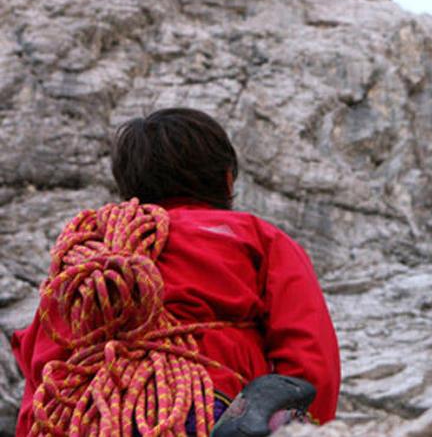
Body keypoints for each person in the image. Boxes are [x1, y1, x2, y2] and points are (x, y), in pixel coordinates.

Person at [12, 108, 341, 436]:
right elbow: (310, 357)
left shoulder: (88, 253)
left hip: (93, 419)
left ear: (128, 185)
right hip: (209, 412)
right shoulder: (258, 239)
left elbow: (46, 366)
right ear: (227, 179)